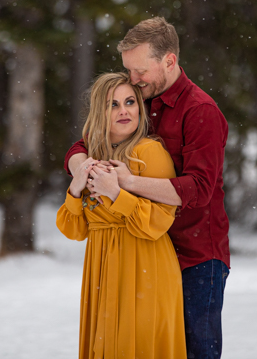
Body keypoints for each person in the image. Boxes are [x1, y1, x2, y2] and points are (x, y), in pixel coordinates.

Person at [66, 17, 230, 359]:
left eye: (139, 70)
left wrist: (125, 182)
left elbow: (199, 189)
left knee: (196, 350)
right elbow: (86, 142)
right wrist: (82, 167)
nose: (132, 79)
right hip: (146, 248)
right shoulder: (139, 99)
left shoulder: (200, 111)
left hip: (196, 255)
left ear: (169, 61)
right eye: (128, 70)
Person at [56, 72, 186, 359]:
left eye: (130, 101)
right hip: (101, 266)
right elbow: (75, 230)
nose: (124, 110)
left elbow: (160, 220)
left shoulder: (149, 152)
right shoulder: (92, 156)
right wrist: (76, 189)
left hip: (145, 263)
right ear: (99, 112)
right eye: (113, 104)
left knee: (136, 346)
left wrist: (116, 195)